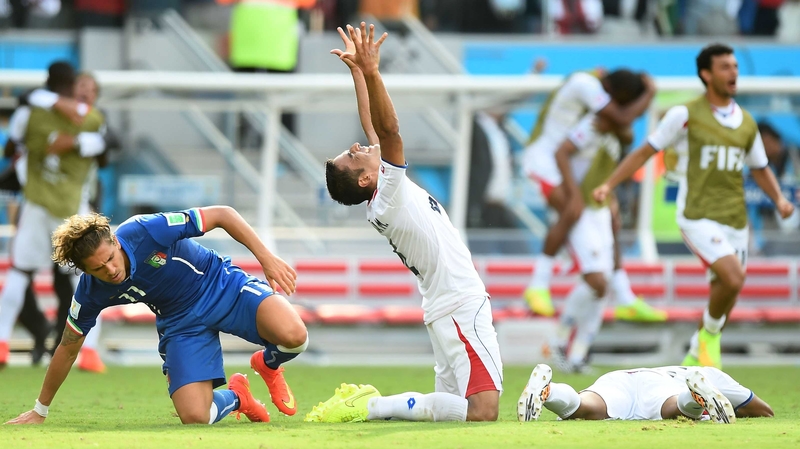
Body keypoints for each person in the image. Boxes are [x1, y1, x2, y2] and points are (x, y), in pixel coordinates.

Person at [312, 23, 502, 423]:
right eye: (352, 156)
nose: (356, 147)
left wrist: (359, 73)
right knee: (482, 413)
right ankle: (373, 405)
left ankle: (378, 406)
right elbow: (390, 130)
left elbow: (373, 126)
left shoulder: (383, 191)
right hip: (459, 301)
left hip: (444, 304)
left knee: (457, 415)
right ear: (365, 179)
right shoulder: (388, 195)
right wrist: (375, 72)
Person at [5, 205, 307, 425]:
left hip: (220, 284)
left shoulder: (146, 230)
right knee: (195, 416)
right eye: (97, 268)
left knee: (295, 337)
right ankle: (239, 397)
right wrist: (40, 410)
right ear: (84, 271)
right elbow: (67, 348)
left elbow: (222, 215)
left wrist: (266, 259)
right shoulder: (89, 292)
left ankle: (269, 365)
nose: (109, 270)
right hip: (180, 322)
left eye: (110, 258)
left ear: (114, 241)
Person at [593, 43, 795, 369]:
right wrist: (609, 184)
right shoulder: (684, 115)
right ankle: (708, 340)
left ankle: (694, 351)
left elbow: (759, 167)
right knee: (732, 278)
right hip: (697, 216)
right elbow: (646, 151)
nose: (733, 72)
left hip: (735, 220)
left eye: (735, 66)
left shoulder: (745, 122)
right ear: (706, 74)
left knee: (726, 291)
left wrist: (780, 200)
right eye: (725, 67)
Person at [522, 66, 664, 323]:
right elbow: (621, 118)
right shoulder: (585, 84)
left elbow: (624, 124)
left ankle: (625, 297)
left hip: (562, 166)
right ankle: (537, 285)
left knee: (607, 217)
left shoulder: (596, 104)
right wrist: (650, 93)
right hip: (543, 162)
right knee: (572, 209)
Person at [0, 62, 104, 369]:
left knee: (19, 274)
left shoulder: (28, 114)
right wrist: (75, 141)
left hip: (35, 204)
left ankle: (2, 343)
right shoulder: (94, 120)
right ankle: (90, 352)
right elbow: (105, 145)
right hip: (74, 210)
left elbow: (13, 146)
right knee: (86, 279)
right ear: (73, 86)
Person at [544, 112, 634, 373]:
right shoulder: (585, 132)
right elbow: (564, 159)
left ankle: (578, 355)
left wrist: (612, 199)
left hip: (601, 210)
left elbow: (606, 170)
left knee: (600, 288)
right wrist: (573, 197)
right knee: (597, 281)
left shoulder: (615, 139)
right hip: (581, 212)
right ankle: (558, 339)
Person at [518, 363, 773, 423]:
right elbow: (762, 409)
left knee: (586, 406)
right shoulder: (709, 373)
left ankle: (547, 392)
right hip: (662, 384)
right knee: (674, 408)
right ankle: (696, 397)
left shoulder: (685, 368)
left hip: (619, 377)